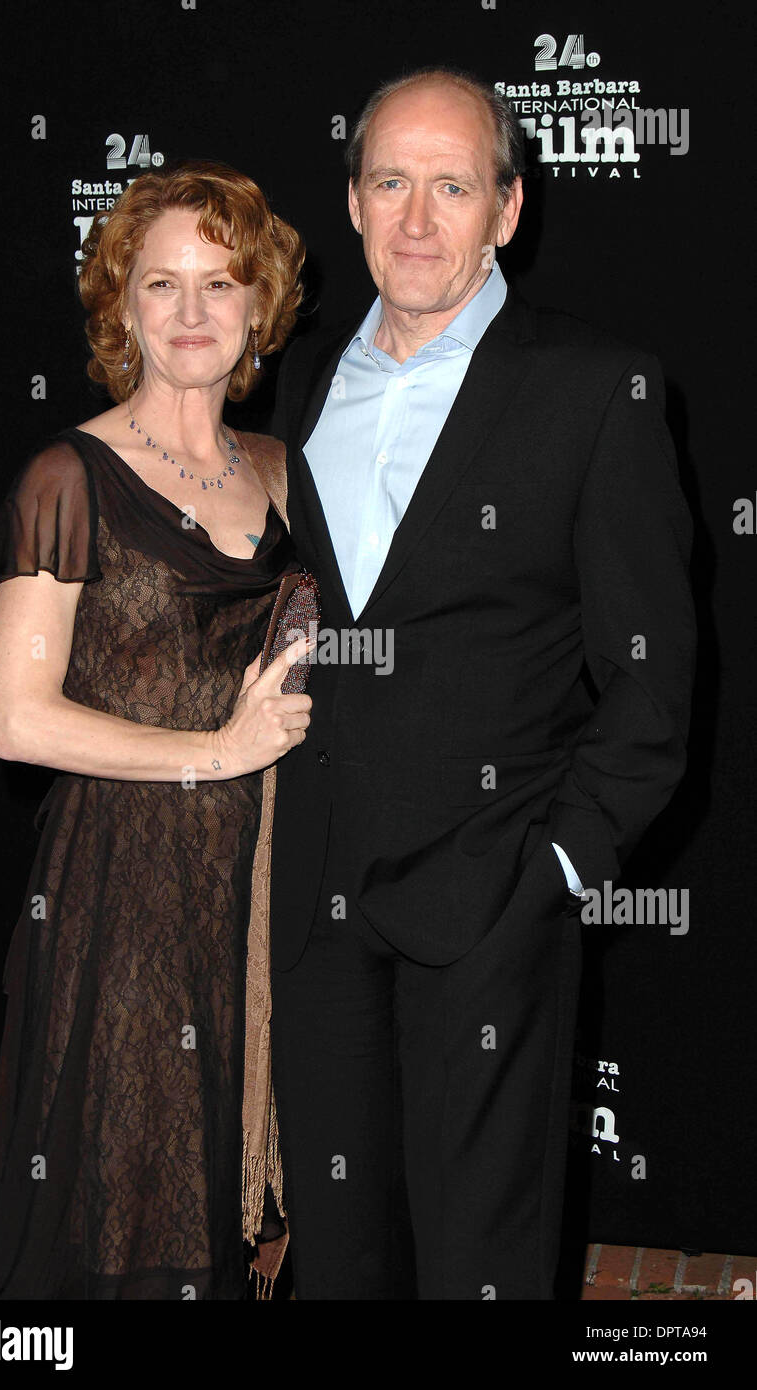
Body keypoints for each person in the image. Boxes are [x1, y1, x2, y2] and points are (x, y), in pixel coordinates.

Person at [268, 67, 697, 1299]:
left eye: (451, 186)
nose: (415, 218)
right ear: (351, 202)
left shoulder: (592, 387)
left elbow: (651, 690)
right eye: (390, 182)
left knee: (478, 1268)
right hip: (313, 908)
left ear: (506, 209)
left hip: (489, 905)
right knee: (342, 1263)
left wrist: (554, 869)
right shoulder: (298, 383)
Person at [0, 161, 312, 1299]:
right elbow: (17, 720)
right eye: (163, 284)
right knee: (119, 1213)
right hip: (122, 892)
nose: (194, 313)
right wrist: (214, 753)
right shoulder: (69, 475)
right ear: (123, 305)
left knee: (221, 1203)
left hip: (251, 888)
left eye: (221, 284)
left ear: (258, 306)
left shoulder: (280, 474)